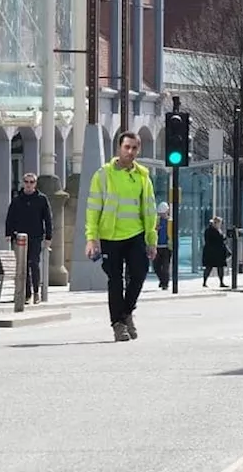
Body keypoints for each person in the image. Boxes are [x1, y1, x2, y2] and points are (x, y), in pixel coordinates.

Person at [85, 131, 158, 343]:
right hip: (110, 236)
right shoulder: (103, 175)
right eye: (127, 147)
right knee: (115, 280)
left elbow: (150, 210)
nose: (130, 152)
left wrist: (151, 240)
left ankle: (127, 311)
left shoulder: (143, 176)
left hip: (136, 234)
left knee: (139, 273)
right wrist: (92, 237)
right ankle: (118, 324)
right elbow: (93, 208)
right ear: (119, 148)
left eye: (134, 148)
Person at [4, 173, 54, 304]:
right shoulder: (17, 199)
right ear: (23, 183)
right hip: (20, 237)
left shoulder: (42, 199)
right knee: (22, 265)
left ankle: (36, 291)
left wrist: (49, 236)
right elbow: (10, 217)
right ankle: (26, 294)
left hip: (36, 236)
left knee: (34, 263)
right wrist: (8, 234)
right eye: (26, 181)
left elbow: (48, 219)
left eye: (32, 182)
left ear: (35, 184)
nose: (29, 184)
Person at [201, 216, 230, 288]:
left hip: (214, 252)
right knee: (212, 267)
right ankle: (207, 282)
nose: (220, 225)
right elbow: (219, 239)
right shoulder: (211, 230)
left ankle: (219, 282)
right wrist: (224, 237)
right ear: (215, 223)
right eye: (219, 223)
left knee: (214, 267)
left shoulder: (214, 230)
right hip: (214, 252)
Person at [154, 202, 172, 290]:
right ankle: (162, 280)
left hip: (167, 247)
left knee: (165, 267)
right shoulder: (156, 221)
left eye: (163, 213)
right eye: (160, 213)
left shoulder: (170, 222)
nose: (161, 215)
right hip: (157, 246)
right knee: (156, 267)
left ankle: (165, 284)